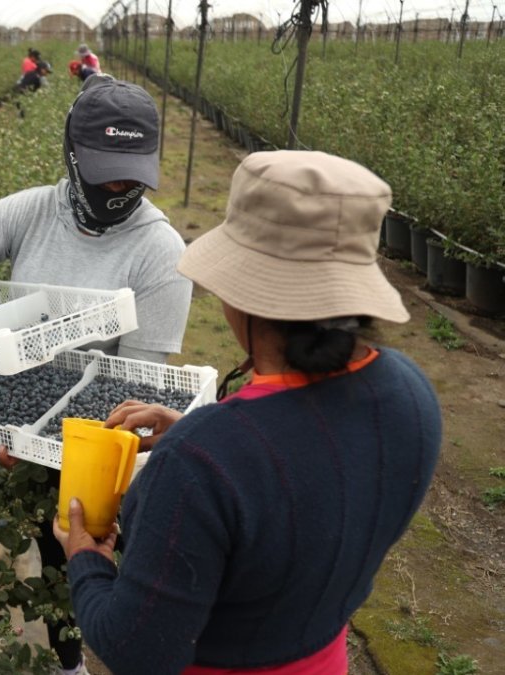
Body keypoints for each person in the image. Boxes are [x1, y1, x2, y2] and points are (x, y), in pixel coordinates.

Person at [54, 151, 442, 674]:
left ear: (241, 294)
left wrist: (86, 560)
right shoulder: (411, 393)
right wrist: (202, 434)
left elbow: (138, 650)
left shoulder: (199, 462)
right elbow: (305, 476)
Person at [0, 74, 192, 675]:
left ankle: (69, 662)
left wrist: (42, 446)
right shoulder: (31, 211)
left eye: (134, 174)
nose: (121, 187)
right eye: (106, 171)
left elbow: (131, 389)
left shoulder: (160, 253)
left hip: (84, 442)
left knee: (66, 557)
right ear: (72, 156)